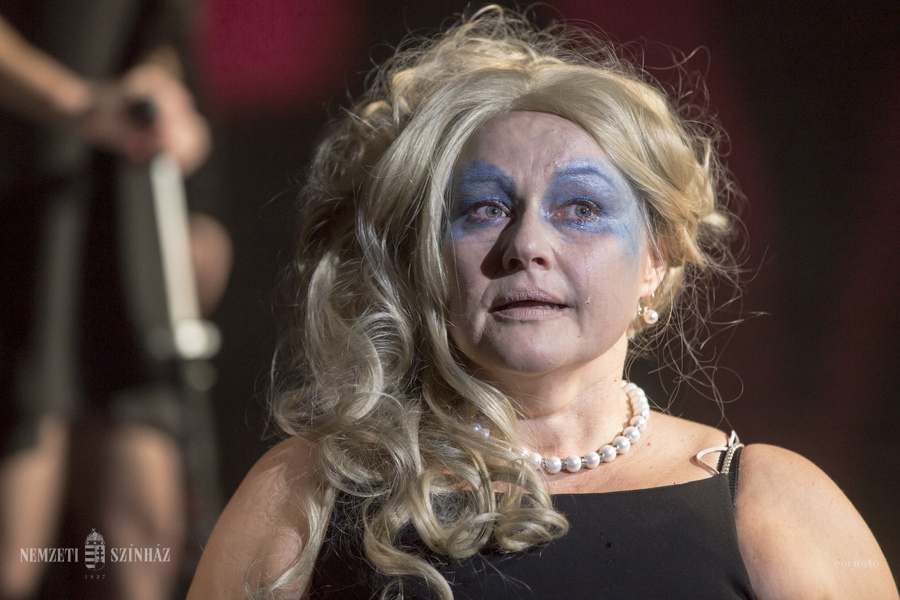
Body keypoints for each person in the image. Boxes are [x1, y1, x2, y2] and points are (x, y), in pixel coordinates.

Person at [187, 7, 898, 600]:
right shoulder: (308, 493)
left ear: (655, 259)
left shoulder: (770, 505)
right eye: (484, 208)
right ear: (427, 256)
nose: (526, 244)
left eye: (580, 208)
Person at [0, 3, 229, 599]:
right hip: (26, 202)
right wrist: (72, 100)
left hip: (120, 204)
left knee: (143, 538)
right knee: (15, 547)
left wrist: (175, 114)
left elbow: (160, 35)